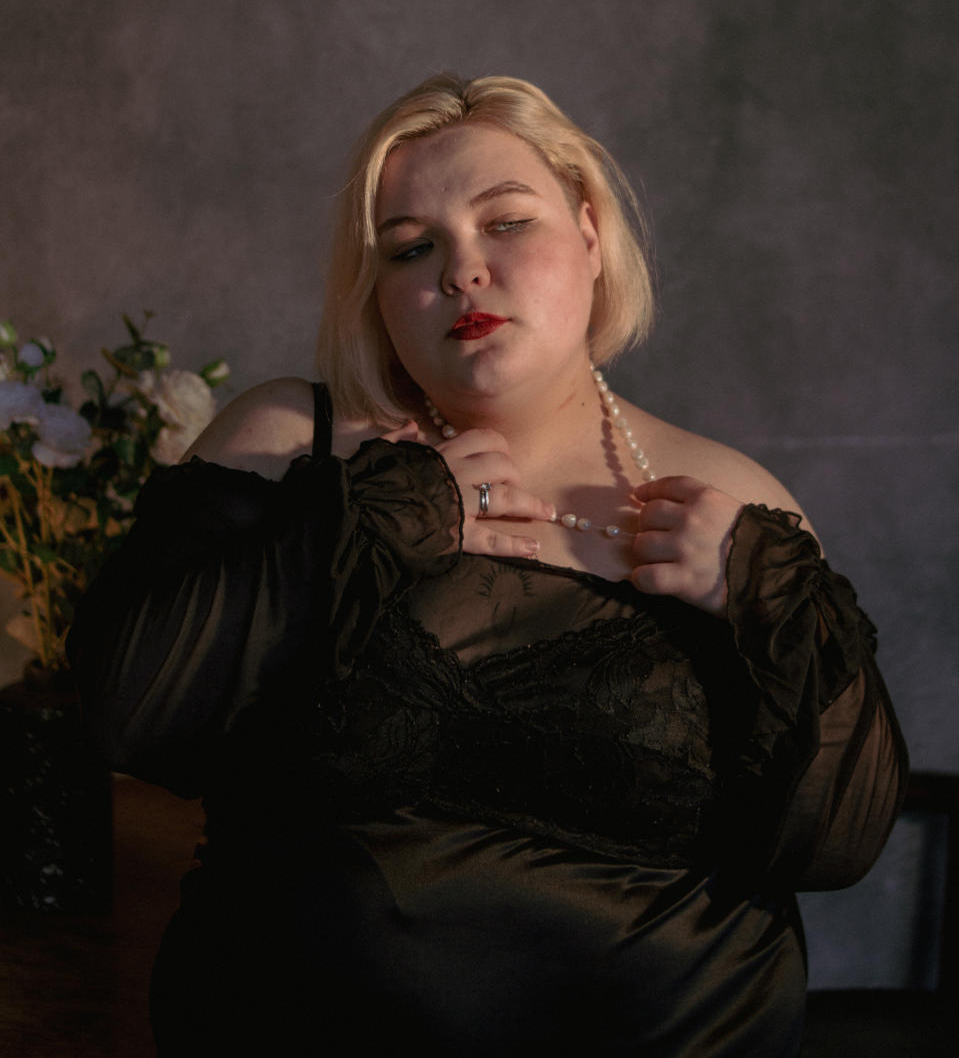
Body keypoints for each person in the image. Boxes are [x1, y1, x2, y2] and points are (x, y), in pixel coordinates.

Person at [68, 73, 907, 1057]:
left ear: (589, 235)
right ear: (377, 293)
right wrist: (380, 518)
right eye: (410, 248)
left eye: (506, 223)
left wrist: (761, 598)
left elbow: (836, 841)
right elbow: (124, 713)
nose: (462, 271)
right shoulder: (295, 439)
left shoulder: (735, 505)